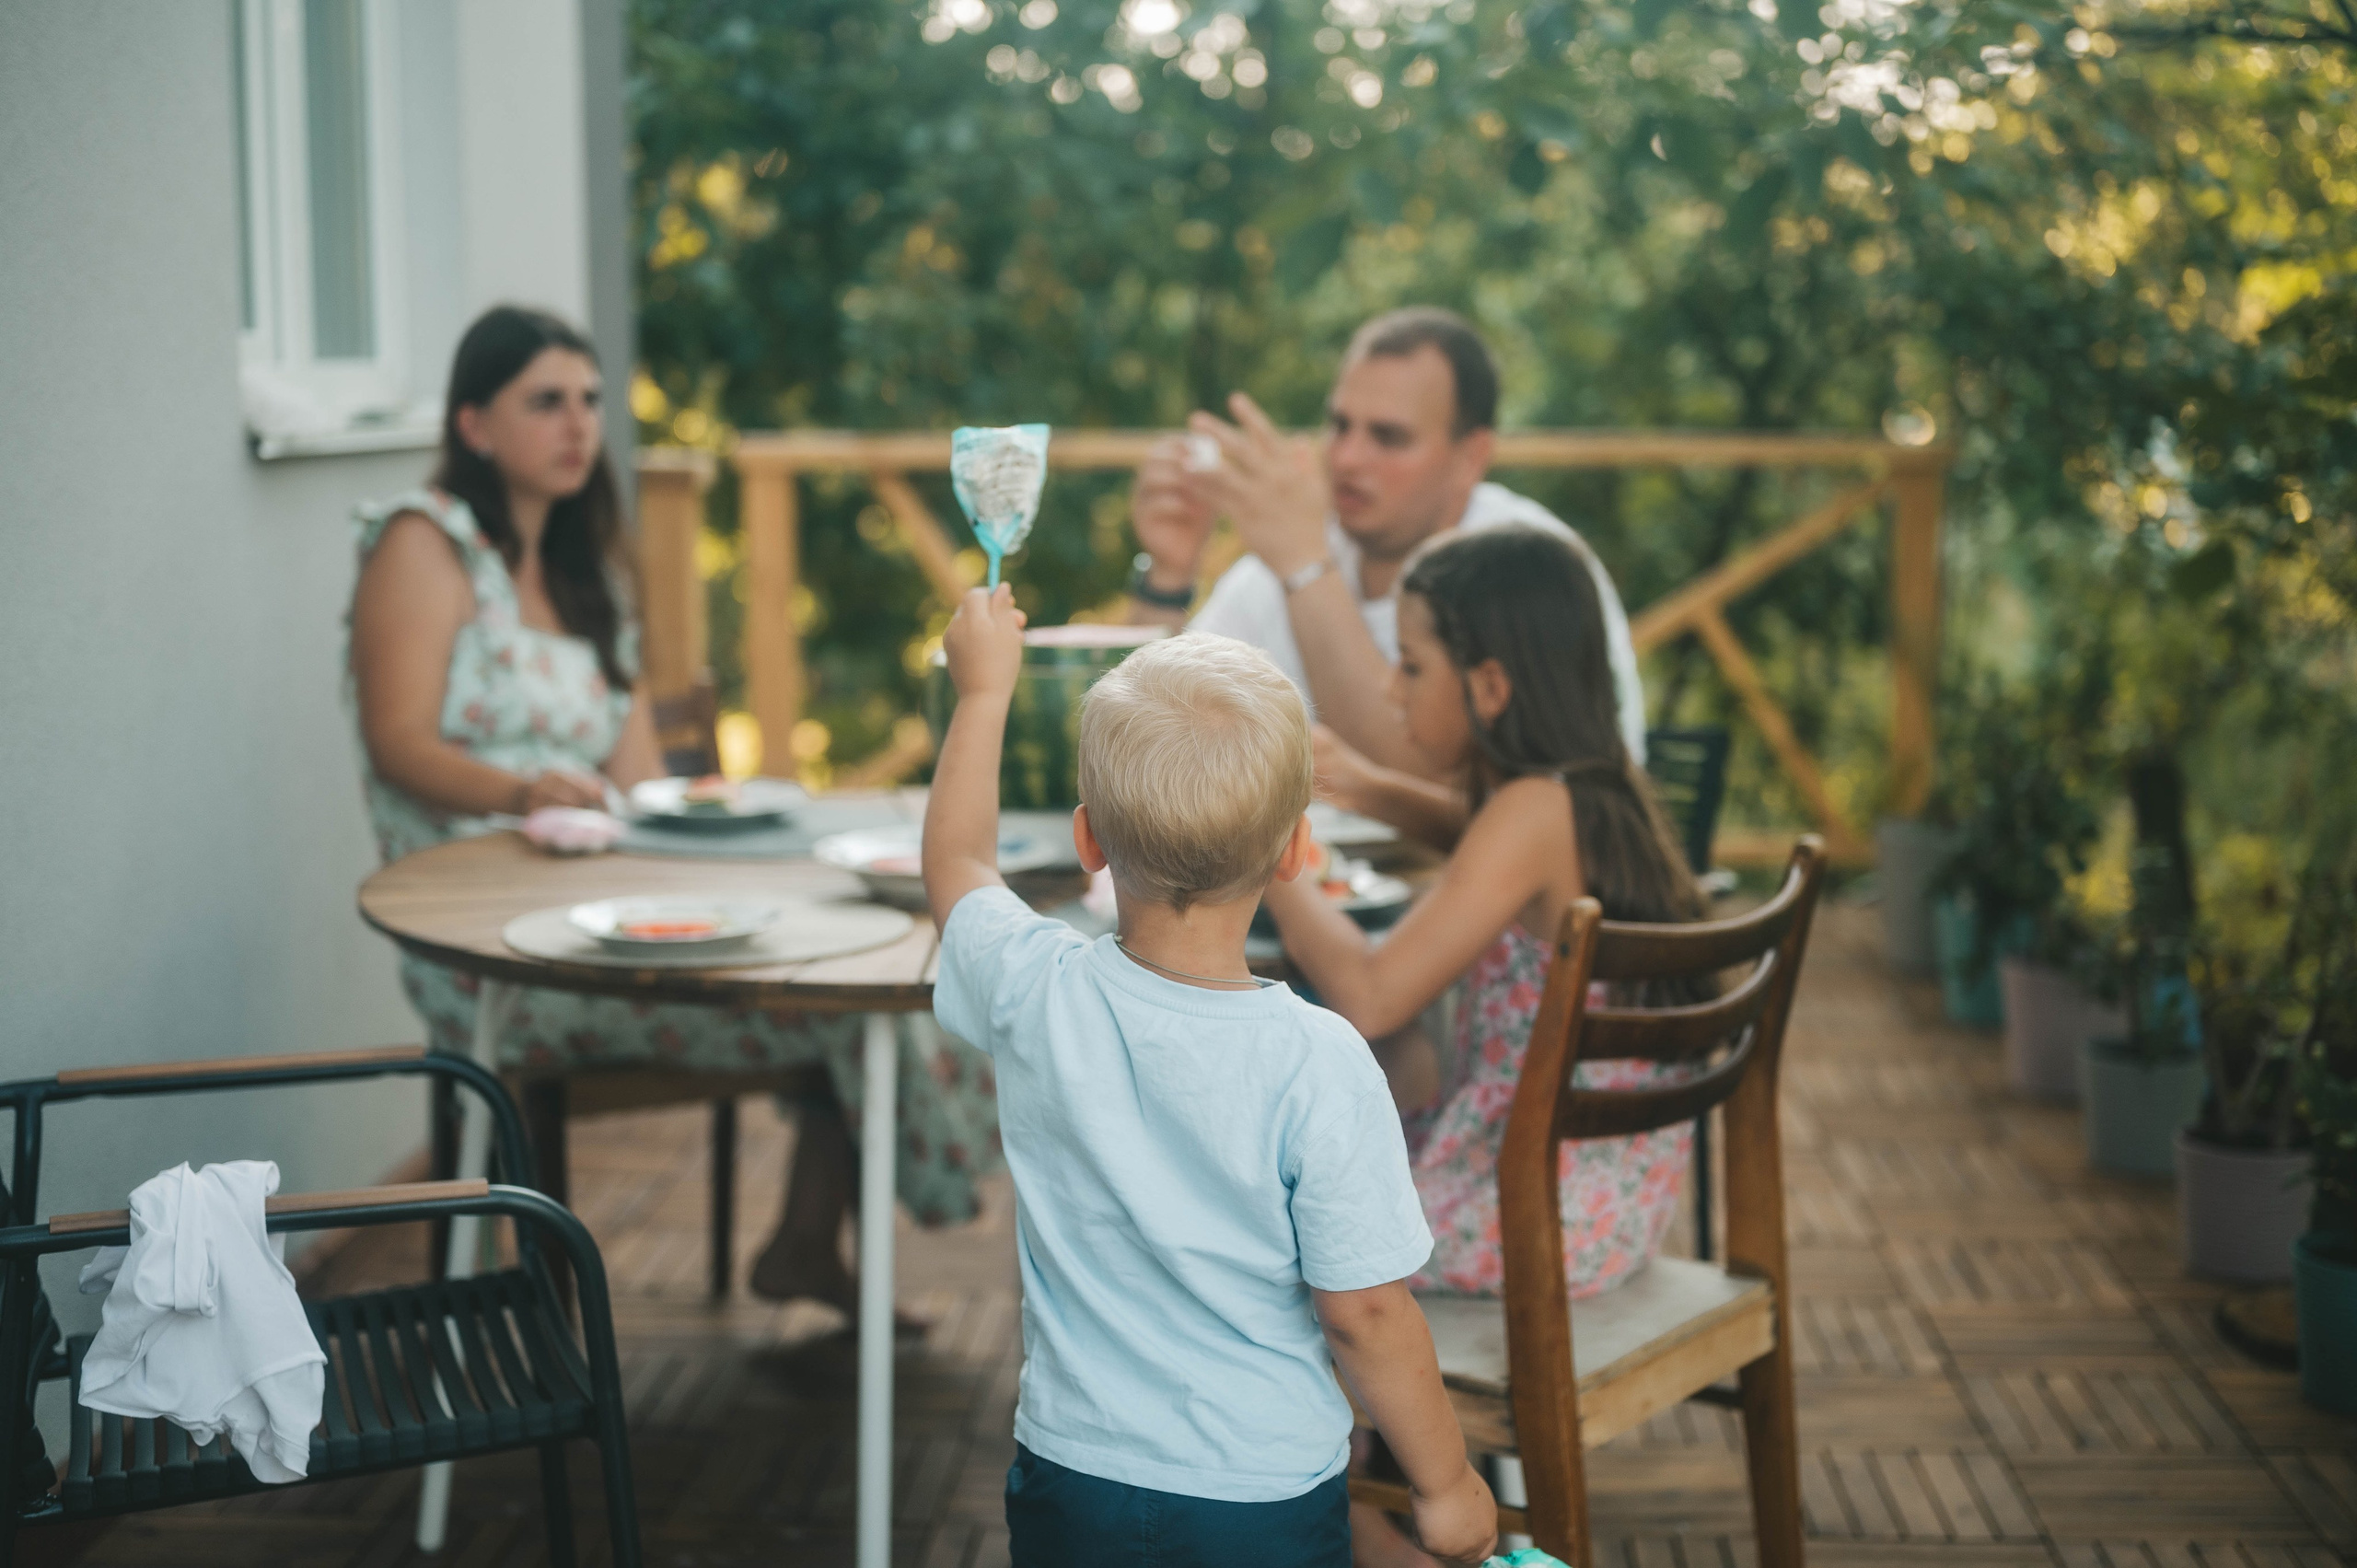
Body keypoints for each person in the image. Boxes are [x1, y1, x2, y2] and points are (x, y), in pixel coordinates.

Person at [345, 305, 998, 1322]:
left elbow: (642, 788)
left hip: (604, 910)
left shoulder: (583, 572)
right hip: (492, 943)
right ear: (473, 424)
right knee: (842, 1002)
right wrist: (524, 791)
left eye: (592, 402)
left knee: (854, 961)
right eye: (547, 401)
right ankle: (816, 1244)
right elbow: (398, 740)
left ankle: (805, 1240)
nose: (579, 424)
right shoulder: (423, 544)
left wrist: (714, 827)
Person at [923, 597, 1497, 1568]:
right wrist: (1446, 1484)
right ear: (1293, 853)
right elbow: (1363, 1310)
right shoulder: (1320, 1059)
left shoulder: (1035, 989)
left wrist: (984, 690)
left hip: (1074, 1475)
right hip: (1260, 1496)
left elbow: (956, 861)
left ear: (1089, 841)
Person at [1261, 524, 1706, 1566]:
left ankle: (1369, 1537)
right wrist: (1368, 784)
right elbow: (1484, 839)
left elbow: (1368, 990)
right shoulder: (1587, 788)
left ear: (1492, 683)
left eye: (1413, 665)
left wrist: (1269, 857)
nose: (1394, 687)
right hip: (1607, 1194)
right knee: (1381, 1105)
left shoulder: (1525, 812)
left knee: (1287, 1261)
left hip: (1531, 1204)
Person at [1125, 307, 1646, 775]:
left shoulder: (1530, 565)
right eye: (1339, 425)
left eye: (1388, 437)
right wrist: (1168, 579)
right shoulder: (1299, 546)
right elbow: (1148, 736)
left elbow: (1439, 777)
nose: (1347, 458)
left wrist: (1306, 568)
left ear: (1471, 458)